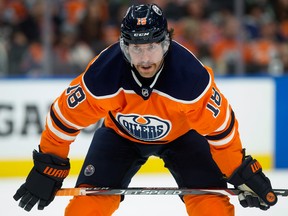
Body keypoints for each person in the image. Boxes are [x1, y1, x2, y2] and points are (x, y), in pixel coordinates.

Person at [13, 4, 277, 216]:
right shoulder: (103, 74)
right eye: (137, 49)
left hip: (183, 137)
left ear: (166, 43)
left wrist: (239, 172)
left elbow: (222, 133)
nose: (145, 59)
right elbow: (63, 120)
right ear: (124, 47)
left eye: (152, 46)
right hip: (120, 137)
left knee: (213, 208)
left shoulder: (191, 79)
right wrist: (49, 166)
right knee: (85, 209)